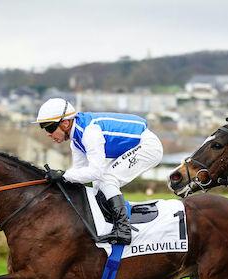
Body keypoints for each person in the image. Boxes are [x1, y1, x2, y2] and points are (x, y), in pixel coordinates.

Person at [35, 98, 164, 245]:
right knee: (97, 185)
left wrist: (63, 174)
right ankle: (106, 225)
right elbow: (80, 174)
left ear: (65, 123)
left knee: (107, 179)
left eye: (49, 128)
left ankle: (123, 230)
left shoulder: (90, 132)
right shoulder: (76, 141)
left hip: (148, 146)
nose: (48, 134)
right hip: (135, 146)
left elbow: (95, 171)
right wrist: (62, 178)